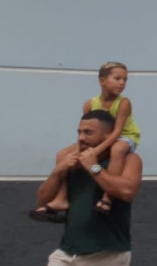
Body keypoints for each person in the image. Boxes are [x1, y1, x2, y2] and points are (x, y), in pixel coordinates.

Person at [35, 109, 143, 266]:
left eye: (88, 133)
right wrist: (58, 171)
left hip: (106, 256)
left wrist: (94, 167)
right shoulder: (71, 160)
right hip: (67, 255)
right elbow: (43, 201)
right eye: (79, 132)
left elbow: (127, 191)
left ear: (107, 135)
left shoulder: (129, 160)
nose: (81, 138)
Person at [32, 62, 140, 221]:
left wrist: (95, 152)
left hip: (124, 136)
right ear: (102, 81)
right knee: (63, 154)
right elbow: (86, 128)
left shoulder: (123, 103)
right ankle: (62, 197)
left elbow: (116, 132)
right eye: (117, 78)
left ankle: (107, 197)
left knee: (117, 150)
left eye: (125, 79)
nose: (122, 83)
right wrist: (78, 150)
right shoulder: (90, 104)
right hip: (101, 137)